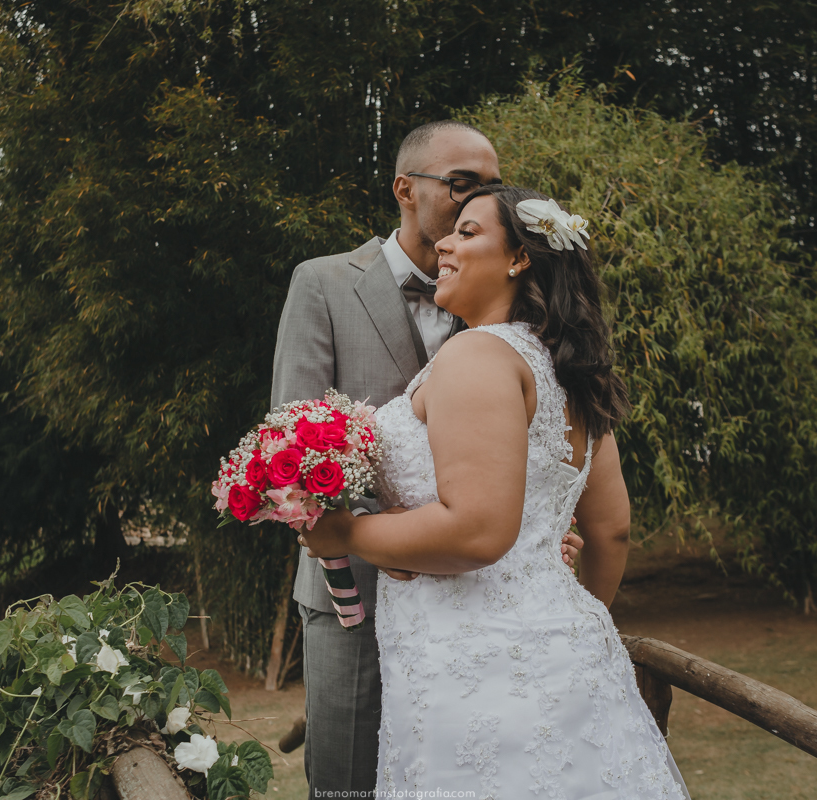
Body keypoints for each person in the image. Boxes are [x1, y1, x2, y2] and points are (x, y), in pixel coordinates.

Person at [301, 185, 689, 798]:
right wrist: (558, 623)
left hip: (472, 671)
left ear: (520, 259)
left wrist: (346, 531)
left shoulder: (477, 355)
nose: (444, 244)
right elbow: (612, 530)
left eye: (468, 232)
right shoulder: (573, 376)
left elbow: (476, 531)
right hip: (567, 656)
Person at [271, 122, 583, 799]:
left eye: (491, 186)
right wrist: (383, 538)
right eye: (462, 183)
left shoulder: (496, 302)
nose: (478, 197)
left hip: (479, 602)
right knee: (349, 783)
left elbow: (523, 438)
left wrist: (540, 526)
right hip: (355, 588)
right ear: (405, 189)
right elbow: (293, 443)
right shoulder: (322, 283)